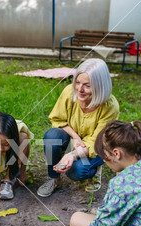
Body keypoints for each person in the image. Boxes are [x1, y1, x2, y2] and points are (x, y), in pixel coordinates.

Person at [37, 58, 119, 197]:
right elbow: (58, 119)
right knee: (51, 137)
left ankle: (94, 169)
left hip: (98, 146)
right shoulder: (70, 92)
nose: (80, 89)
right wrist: (74, 137)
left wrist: (72, 155)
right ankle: (54, 179)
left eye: (87, 85)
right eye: (77, 82)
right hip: (74, 138)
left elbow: (97, 142)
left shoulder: (110, 106)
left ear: (100, 86)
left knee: (77, 171)